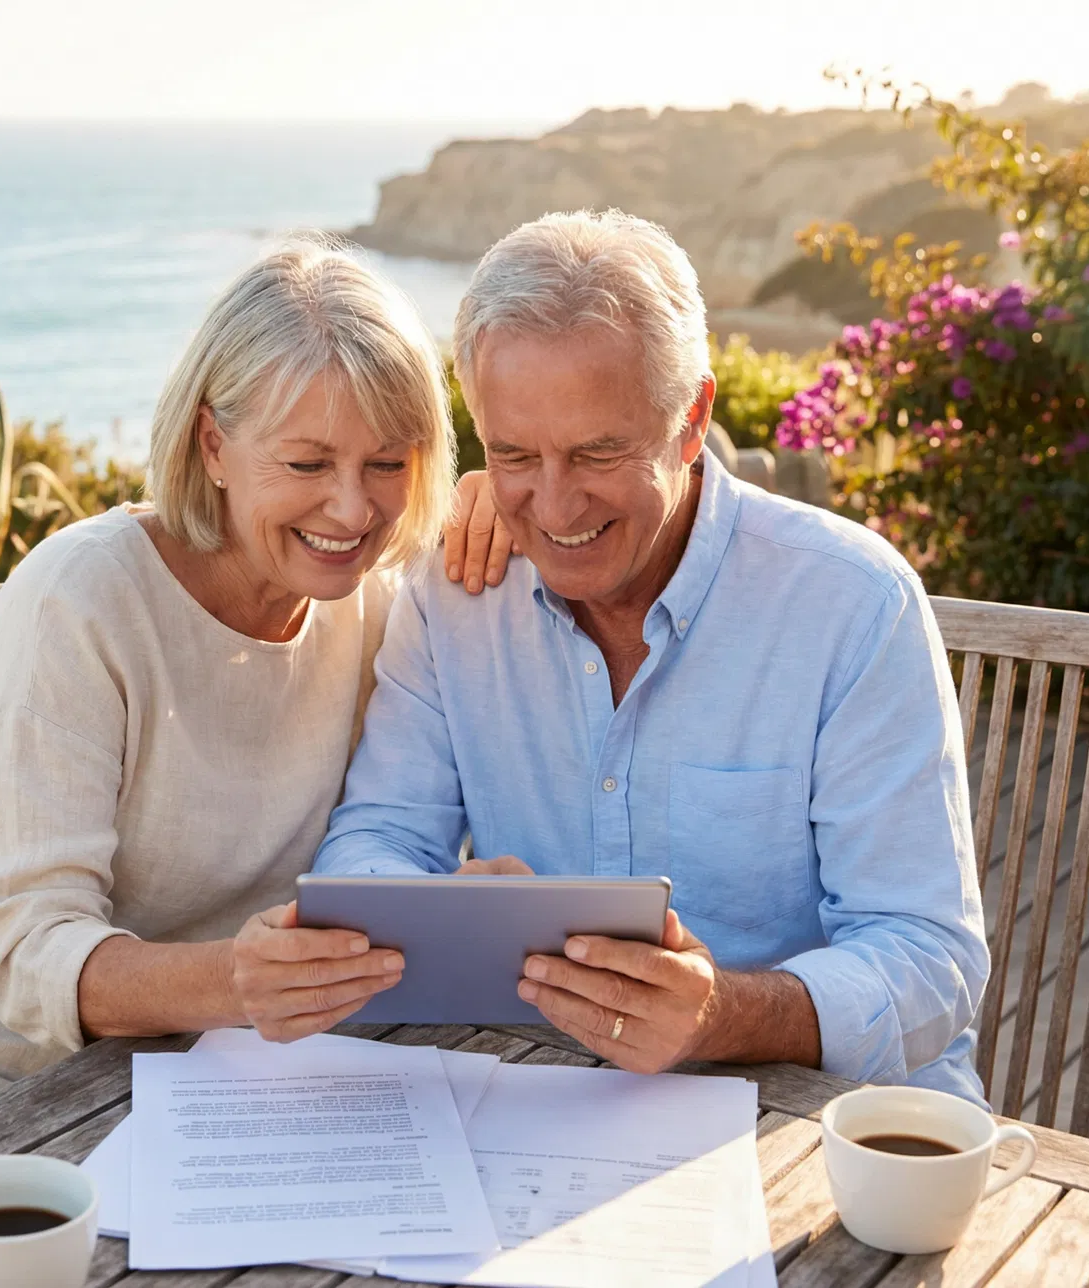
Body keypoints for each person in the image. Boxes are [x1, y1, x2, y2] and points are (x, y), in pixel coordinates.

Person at [0, 239, 509, 1183]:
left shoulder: (374, 606)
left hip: (171, 1074)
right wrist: (237, 983)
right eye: (307, 461)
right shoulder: (81, 600)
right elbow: (33, 950)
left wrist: (454, 913)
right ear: (213, 445)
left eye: (387, 462)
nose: (353, 507)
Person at [313, 210, 990, 1103]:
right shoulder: (455, 593)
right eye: (512, 452)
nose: (553, 508)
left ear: (692, 417)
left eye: (598, 451)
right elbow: (375, 841)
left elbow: (931, 962)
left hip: (822, 1123)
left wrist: (726, 1015)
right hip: (552, 1100)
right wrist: (431, 911)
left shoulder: (851, 603)